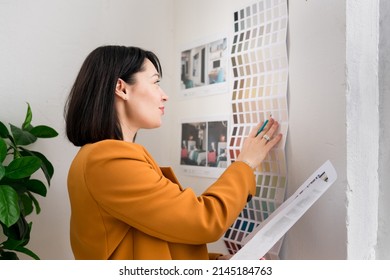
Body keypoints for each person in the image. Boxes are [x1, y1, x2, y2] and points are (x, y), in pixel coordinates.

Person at [64, 45, 282, 260]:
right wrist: (245, 164)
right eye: (155, 83)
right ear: (121, 88)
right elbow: (202, 221)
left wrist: (216, 262)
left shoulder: (100, 157)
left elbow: (151, 242)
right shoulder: (107, 160)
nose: (164, 96)